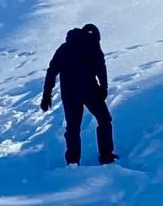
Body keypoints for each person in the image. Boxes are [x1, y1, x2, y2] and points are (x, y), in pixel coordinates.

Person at [40, 23, 116, 165]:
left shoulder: (64, 48)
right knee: (104, 120)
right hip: (90, 90)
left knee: (73, 128)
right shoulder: (93, 45)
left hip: (69, 94)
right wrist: (103, 87)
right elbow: (101, 68)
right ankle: (106, 156)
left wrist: (46, 94)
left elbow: (51, 71)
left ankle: (73, 162)